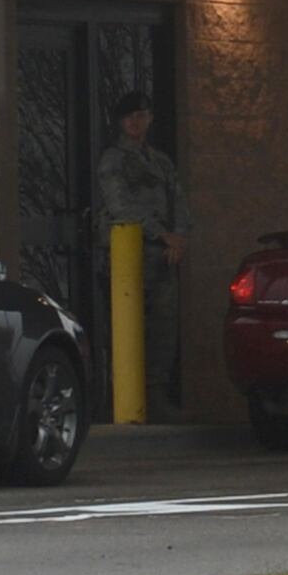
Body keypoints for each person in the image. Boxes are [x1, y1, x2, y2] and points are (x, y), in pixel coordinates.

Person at [92, 97, 188, 417]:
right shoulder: (114, 159)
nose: (135, 122)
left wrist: (177, 239)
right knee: (124, 329)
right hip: (128, 255)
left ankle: (156, 394)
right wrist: (161, 234)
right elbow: (121, 206)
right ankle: (118, 398)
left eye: (141, 115)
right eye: (129, 117)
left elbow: (179, 202)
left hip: (163, 258)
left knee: (164, 328)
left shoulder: (160, 161)